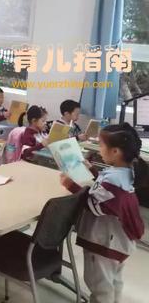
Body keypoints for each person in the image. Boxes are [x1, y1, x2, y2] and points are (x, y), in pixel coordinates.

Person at [60, 123, 147, 302]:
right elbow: (106, 190)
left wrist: (71, 185)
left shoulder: (113, 182)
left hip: (104, 244)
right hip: (119, 241)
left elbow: (94, 205)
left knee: (100, 287)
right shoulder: (125, 172)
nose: (99, 149)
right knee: (114, 281)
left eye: (101, 145)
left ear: (115, 151)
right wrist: (92, 170)